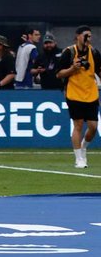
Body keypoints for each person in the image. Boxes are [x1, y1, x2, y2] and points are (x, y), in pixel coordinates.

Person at [56, 26, 100, 169]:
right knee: (78, 125)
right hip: (74, 93)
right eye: (86, 35)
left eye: (90, 36)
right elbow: (59, 74)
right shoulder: (69, 52)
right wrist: (72, 69)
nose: (88, 38)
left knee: (93, 126)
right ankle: (79, 158)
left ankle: (83, 147)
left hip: (91, 93)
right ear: (78, 36)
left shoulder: (94, 52)